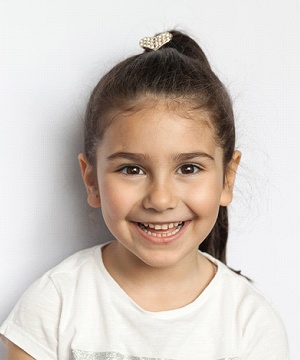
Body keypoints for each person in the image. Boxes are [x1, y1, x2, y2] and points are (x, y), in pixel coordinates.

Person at [0, 30, 289, 360]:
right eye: (132, 169)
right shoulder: (54, 304)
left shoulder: (250, 323)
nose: (161, 199)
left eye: (189, 168)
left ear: (227, 178)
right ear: (91, 180)